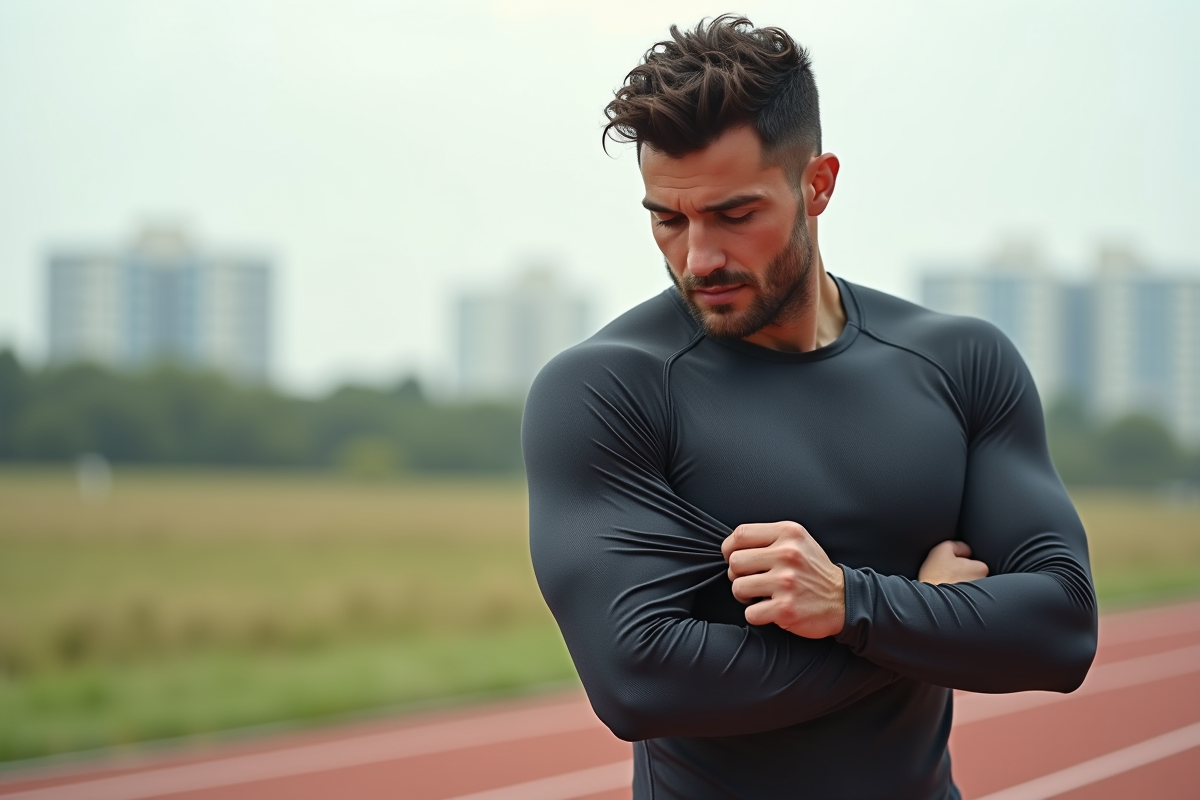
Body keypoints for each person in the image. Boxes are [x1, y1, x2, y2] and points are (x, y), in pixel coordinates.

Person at [522, 15, 1097, 799]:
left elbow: (1061, 630)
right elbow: (641, 683)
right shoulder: (608, 388)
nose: (699, 258)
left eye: (735, 214)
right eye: (668, 219)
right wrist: (920, 614)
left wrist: (853, 602)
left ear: (817, 184)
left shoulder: (960, 362)